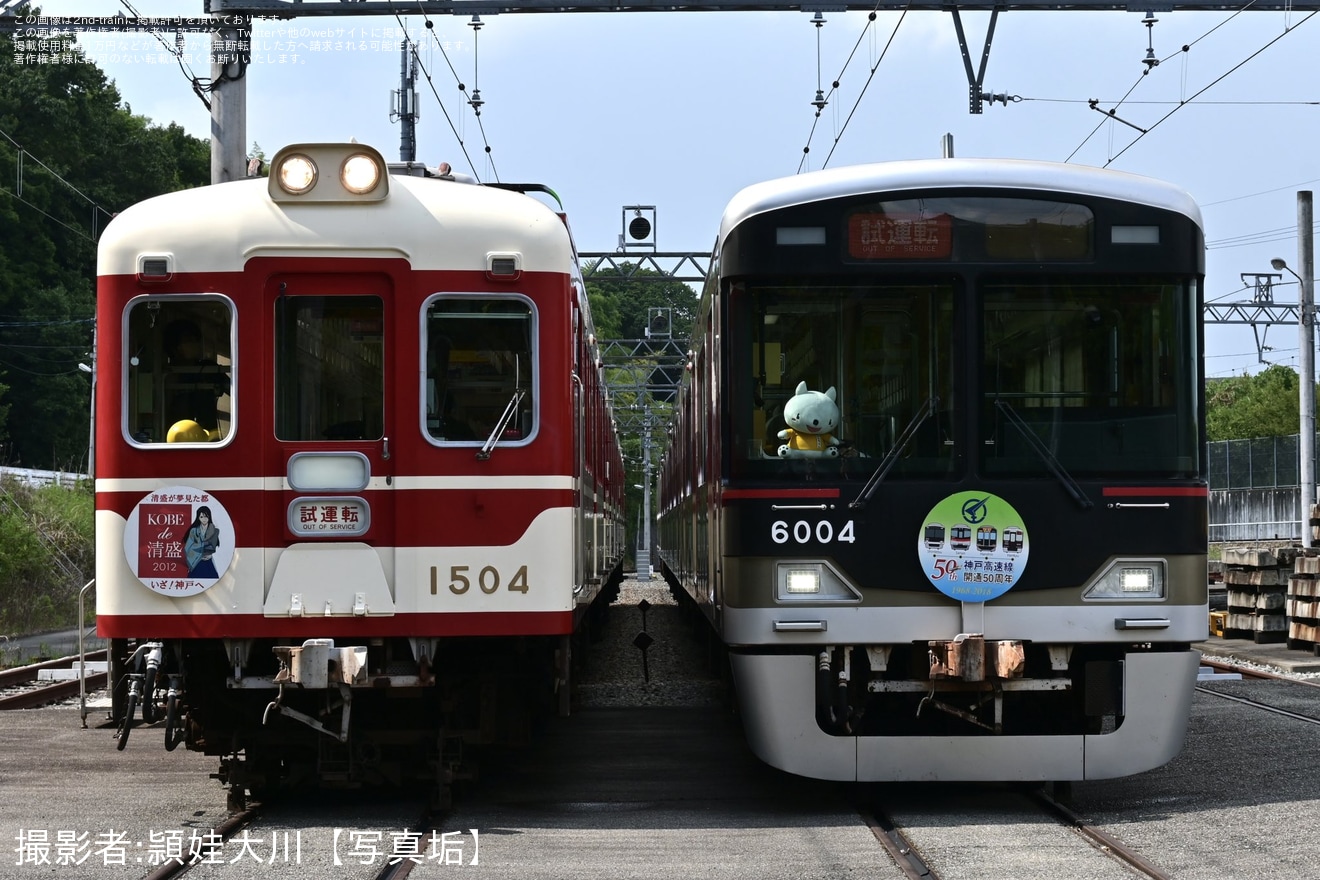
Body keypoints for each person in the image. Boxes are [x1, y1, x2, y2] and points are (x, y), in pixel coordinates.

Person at [163, 319, 229, 441]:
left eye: (196, 340)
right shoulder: (167, 374)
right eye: (188, 341)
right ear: (175, 348)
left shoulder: (210, 369)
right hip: (177, 437)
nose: (195, 345)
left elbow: (234, 391)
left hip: (210, 436)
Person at [184, 506, 220, 578]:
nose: (204, 519)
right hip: (197, 560)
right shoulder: (194, 531)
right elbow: (188, 547)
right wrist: (199, 551)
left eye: (206, 516)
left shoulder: (214, 530)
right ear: (198, 518)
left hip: (208, 560)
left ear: (209, 517)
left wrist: (209, 554)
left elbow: (213, 545)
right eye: (201, 517)